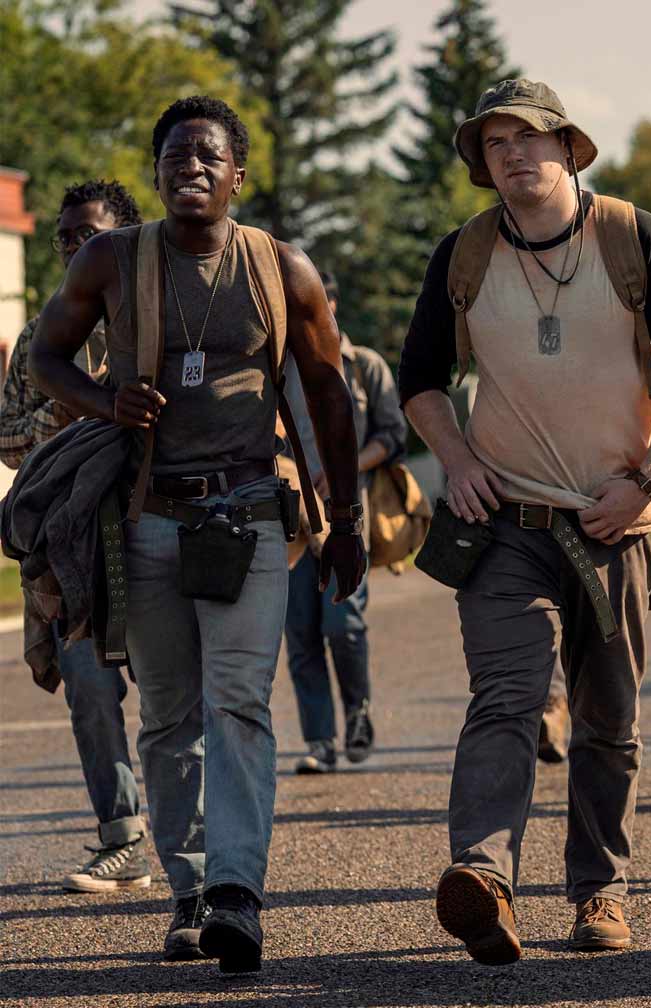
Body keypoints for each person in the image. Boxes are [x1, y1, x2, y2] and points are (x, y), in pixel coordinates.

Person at [29, 96, 367, 974]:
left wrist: (345, 522)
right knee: (169, 715)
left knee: (240, 705)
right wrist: (105, 402)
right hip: (147, 516)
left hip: (250, 512)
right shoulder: (111, 259)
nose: (192, 168)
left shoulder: (281, 269)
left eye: (209, 157)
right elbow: (45, 354)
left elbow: (330, 393)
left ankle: (236, 894)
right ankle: (185, 893)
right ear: (156, 171)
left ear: (237, 176)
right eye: (176, 155)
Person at [398, 78, 651, 963]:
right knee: (506, 698)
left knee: (608, 720)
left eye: (528, 138)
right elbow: (418, 378)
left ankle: (600, 893)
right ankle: (484, 878)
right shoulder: (462, 254)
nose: (512, 155)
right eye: (493, 144)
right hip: (505, 520)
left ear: (570, 147)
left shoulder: (632, 237)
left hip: (613, 521)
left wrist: (650, 479)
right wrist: (457, 460)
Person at [0, 179, 155, 895]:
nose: (72, 247)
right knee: (91, 689)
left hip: (152, 524)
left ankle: (200, 846)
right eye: (63, 236)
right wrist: (77, 409)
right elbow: (7, 441)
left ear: (121, 237)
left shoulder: (156, 314)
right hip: (69, 543)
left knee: (171, 689)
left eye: (86, 233)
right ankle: (120, 837)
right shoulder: (41, 334)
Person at [282, 270, 407, 774]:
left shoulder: (365, 367)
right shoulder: (278, 365)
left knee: (343, 624)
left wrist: (343, 469)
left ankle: (358, 714)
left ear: (330, 303)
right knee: (301, 633)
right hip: (291, 517)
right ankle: (319, 742)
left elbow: (393, 435)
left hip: (346, 514)